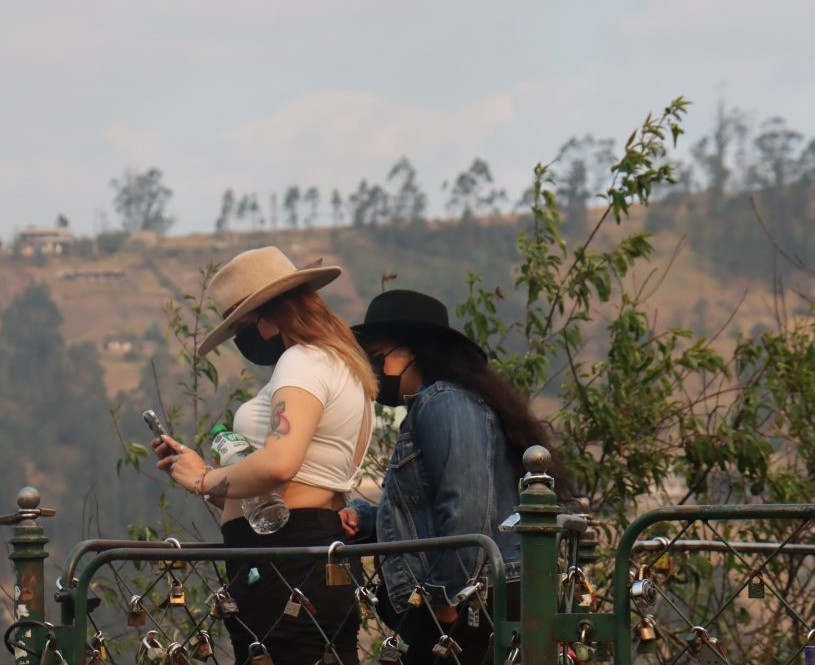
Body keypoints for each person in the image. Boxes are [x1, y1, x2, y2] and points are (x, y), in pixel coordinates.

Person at [153, 246, 376, 665]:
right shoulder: (336, 365)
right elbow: (298, 477)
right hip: (301, 551)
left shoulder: (301, 362)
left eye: (241, 326)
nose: (241, 339)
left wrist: (202, 477)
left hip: (287, 561)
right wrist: (214, 484)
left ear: (271, 317)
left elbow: (279, 464)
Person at [345, 289, 547, 664]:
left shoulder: (443, 402)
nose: (372, 370)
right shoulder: (448, 402)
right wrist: (367, 518)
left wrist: (446, 599)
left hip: (465, 607)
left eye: (378, 356)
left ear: (414, 351)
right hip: (475, 598)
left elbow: (467, 504)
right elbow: (426, 510)